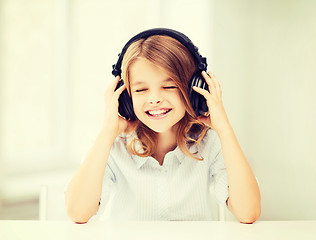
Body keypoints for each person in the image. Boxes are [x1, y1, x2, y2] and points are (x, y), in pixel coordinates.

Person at [65, 29, 261, 223]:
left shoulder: (210, 141)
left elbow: (248, 212)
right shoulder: (113, 144)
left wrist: (224, 128)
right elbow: (78, 212)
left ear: (195, 88)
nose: (155, 99)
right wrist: (107, 133)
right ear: (126, 96)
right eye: (141, 89)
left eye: (169, 86)